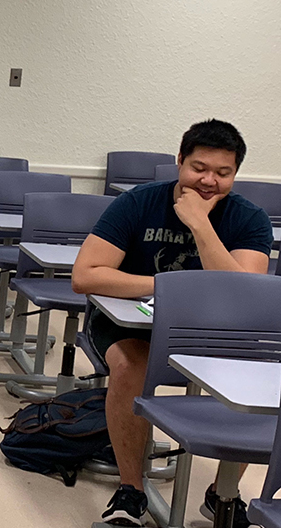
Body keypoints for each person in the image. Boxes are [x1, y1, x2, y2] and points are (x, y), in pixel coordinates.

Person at [72, 119, 273, 527]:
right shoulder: (138, 203)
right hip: (130, 327)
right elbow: (86, 275)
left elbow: (246, 297)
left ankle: (223, 494)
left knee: (264, 376)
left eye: (223, 173)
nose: (209, 181)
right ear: (180, 161)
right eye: (200, 168)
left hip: (216, 332)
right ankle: (131, 491)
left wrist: (200, 225)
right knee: (132, 366)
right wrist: (169, 287)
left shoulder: (249, 219)